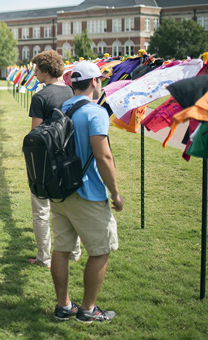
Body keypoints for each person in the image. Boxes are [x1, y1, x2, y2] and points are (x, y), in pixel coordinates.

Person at [50, 61, 124, 323]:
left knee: (61, 248)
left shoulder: (62, 108)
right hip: (87, 193)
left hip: (59, 192)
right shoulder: (95, 112)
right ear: (95, 82)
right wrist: (115, 192)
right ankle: (88, 310)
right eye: (100, 79)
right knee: (100, 250)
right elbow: (103, 156)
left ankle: (63, 306)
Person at [27, 50, 81, 269]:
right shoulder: (71, 92)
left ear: (46, 71)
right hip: (69, 158)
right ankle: (74, 252)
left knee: (41, 210)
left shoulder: (40, 97)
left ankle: (44, 257)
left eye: (37, 69)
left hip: (46, 161)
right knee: (69, 208)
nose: (35, 73)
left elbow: (35, 135)